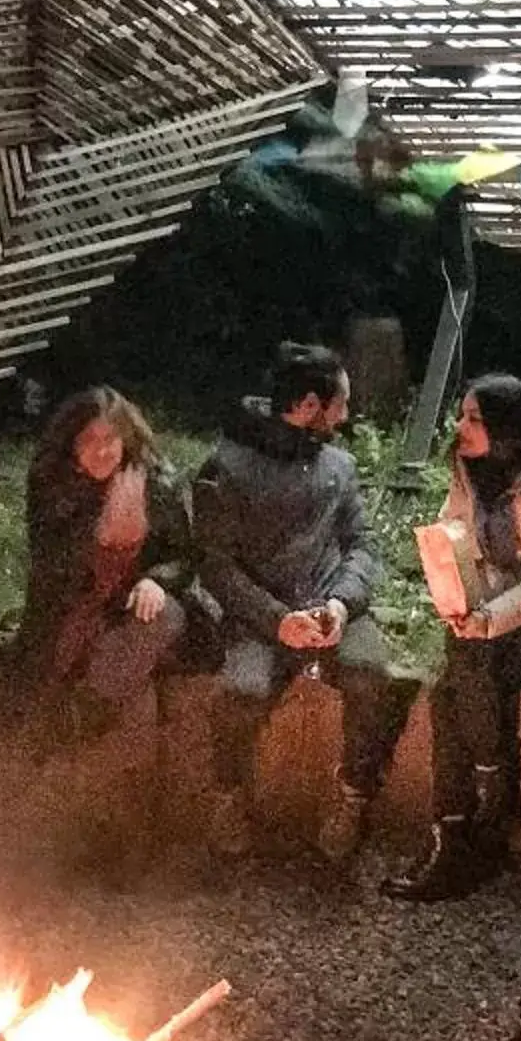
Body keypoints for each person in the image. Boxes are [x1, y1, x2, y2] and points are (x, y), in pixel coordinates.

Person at [194, 342, 400, 862]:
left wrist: (341, 604)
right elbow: (216, 565)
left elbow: (364, 543)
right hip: (258, 615)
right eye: (341, 404)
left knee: (370, 674)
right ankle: (230, 797)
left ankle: (354, 795)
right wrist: (274, 619)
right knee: (240, 693)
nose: (347, 416)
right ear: (309, 405)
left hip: (329, 605)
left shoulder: (339, 466)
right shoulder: (226, 466)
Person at [383, 375, 521, 903]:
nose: (460, 427)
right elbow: (455, 534)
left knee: (458, 681)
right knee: (453, 686)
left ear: (507, 430)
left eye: (473, 418)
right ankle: (484, 805)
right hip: (478, 627)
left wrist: (489, 617)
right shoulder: (467, 472)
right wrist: (453, 591)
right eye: (462, 415)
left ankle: (463, 831)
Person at [17, 388, 205, 742]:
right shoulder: (54, 487)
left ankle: (87, 708)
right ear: (71, 444)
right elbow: (50, 567)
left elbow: (186, 555)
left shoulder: (157, 483)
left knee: (163, 618)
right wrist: (95, 530)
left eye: (110, 440)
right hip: (80, 602)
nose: (102, 451)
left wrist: (157, 580)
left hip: (135, 605)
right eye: (89, 440)